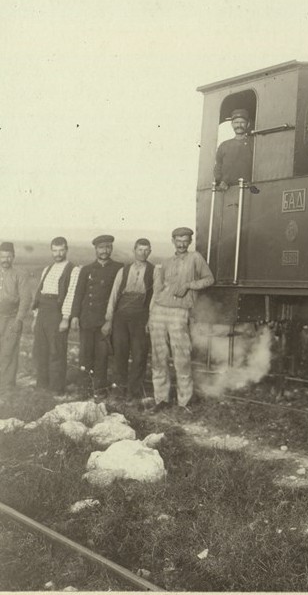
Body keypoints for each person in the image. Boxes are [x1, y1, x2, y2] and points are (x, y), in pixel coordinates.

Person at [148, 227, 214, 411]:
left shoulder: (195, 258)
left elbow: (209, 279)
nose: (182, 244)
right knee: (159, 357)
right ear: (173, 241)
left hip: (179, 312)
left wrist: (188, 285)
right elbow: (157, 291)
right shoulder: (165, 262)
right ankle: (161, 400)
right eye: (179, 240)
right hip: (159, 311)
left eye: (185, 241)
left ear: (190, 242)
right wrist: (151, 315)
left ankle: (184, 402)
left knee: (181, 357)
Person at [70, 235, 123, 395]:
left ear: (111, 248)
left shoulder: (119, 268)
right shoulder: (86, 269)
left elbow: (118, 297)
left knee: (101, 356)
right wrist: (75, 315)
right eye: (101, 247)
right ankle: (84, 388)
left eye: (107, 247)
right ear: (95, 249)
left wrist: (110, 321)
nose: (104, 251)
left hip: (104, 320)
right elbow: (78, 294)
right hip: (87, 319)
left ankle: (99, 389)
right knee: (85, 355)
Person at [104, 238, 155, 400]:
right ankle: (119, 391)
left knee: (139, 354)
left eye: (146, 250)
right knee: (120, 353)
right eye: (140, 249)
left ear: (150, 251)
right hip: (121, 315)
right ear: (134, 251)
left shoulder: (154, 271)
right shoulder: (124, 271)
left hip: (141, 315)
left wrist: (150, 320)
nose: (143, 253)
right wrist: (109, 319)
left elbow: (155, 298)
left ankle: (134, 392)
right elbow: (113, 295)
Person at [32, 237, 80, 394]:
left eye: (61, 250)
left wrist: (65, 318)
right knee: (41, 349)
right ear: (51, 251)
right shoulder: (47, 269)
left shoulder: (73, 269)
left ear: (66, 250)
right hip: (43, 311)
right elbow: (39, 292)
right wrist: (36, 317)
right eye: (55, 250)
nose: (58, 254)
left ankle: (56, 388)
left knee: (56, 350)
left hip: (57, 312)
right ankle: (42, 385)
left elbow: (71, 294)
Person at [0, 242, 34, 396]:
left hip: (12, 318)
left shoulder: (20, 274)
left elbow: (26, 299)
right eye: (2, 256)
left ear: (13, 257)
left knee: (9, 351)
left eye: (8, 256)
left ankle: (6, 387)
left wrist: (19, 320)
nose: (5, 259)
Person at [214, 108, 254, 188]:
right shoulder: (224, 145)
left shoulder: (254, 143)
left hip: (248, 188)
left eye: (242, 122)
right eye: (236, 122)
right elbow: (218, 167)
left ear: (248, 124)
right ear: (232, 124)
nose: (239, 125)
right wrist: (221, 182)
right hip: (227, 189)